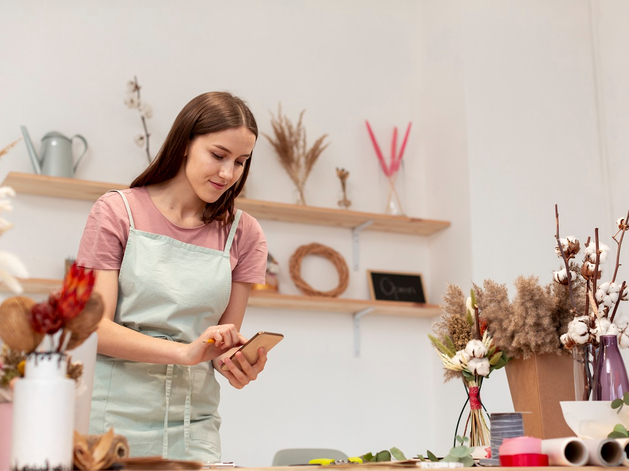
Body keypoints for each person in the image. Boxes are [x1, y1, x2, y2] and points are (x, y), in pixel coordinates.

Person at [76, 92, 268, 463]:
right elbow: (93, 327)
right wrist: (184, 353)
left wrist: (236, 363)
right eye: (218, 155)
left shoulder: (245, 234)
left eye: (241, 162)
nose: (228, 174)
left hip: (193, 426)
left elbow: (219, 345)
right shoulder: (118, 212)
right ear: (184, 144)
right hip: (110, 424)